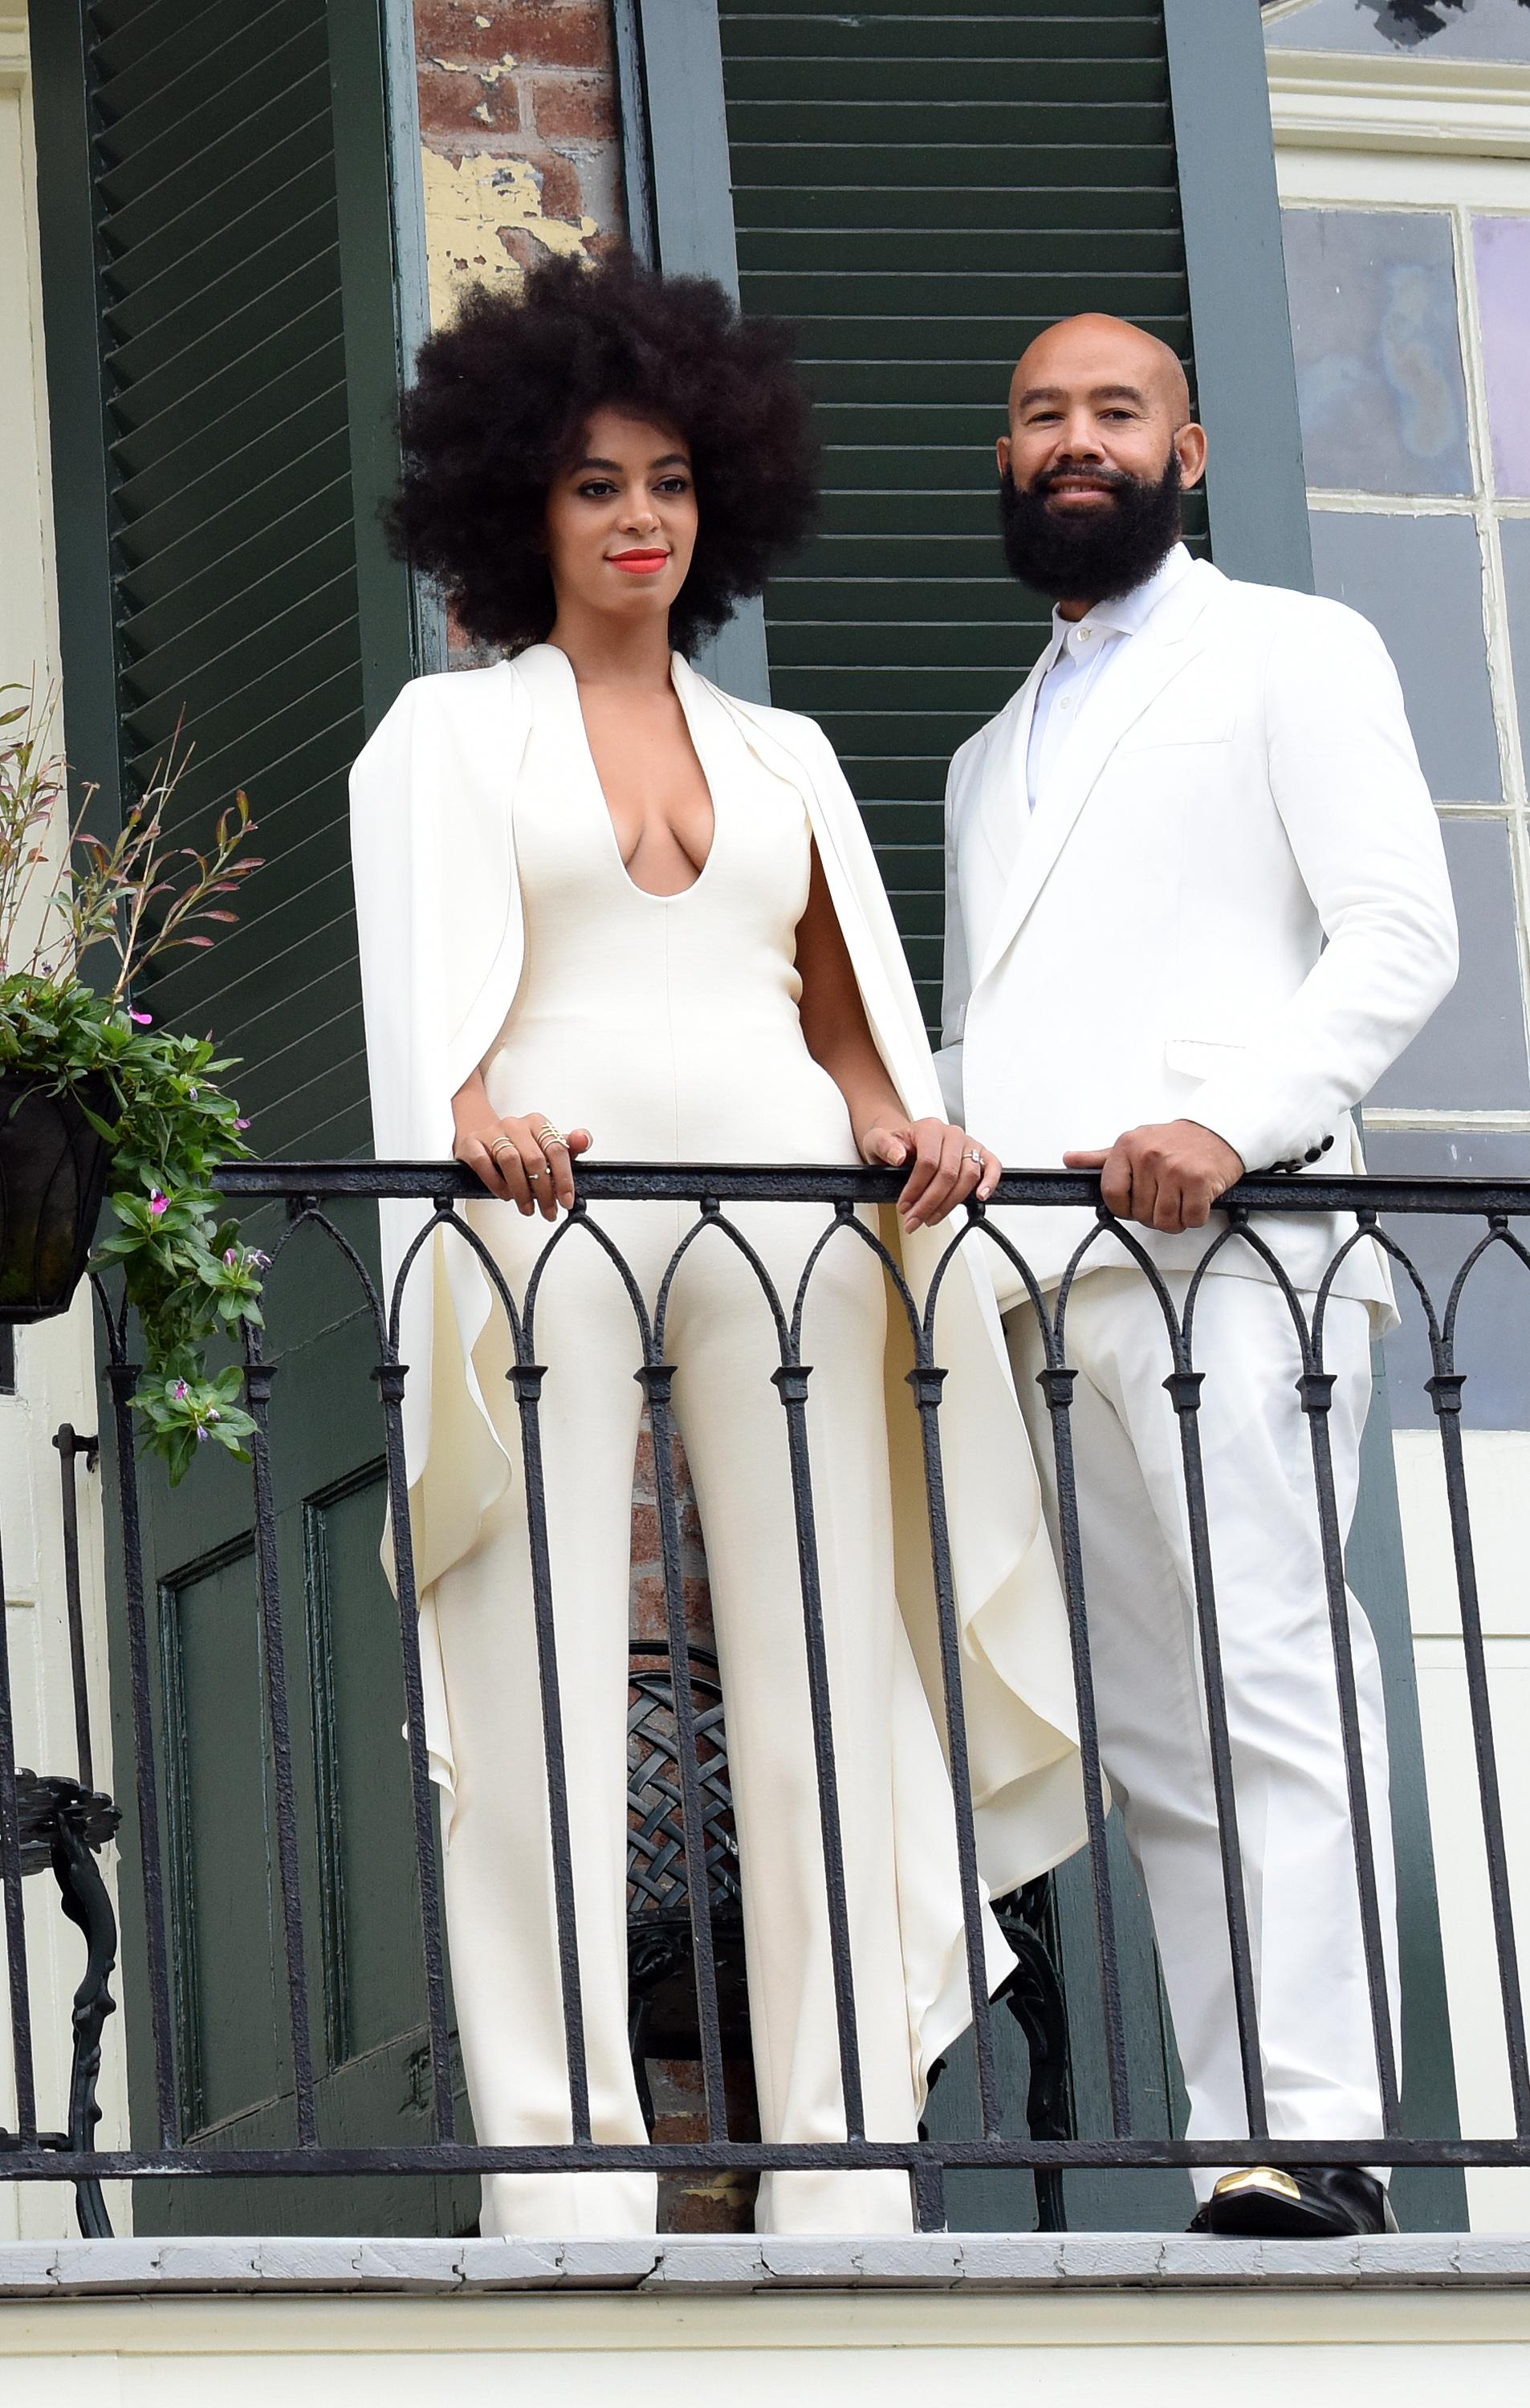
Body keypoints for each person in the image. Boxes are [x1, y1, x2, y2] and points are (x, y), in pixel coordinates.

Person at [349, 253, 1084, 2240]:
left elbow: (847, 1031)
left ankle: (844, 2164)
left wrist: (900, 1128)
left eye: (670, 478)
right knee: (535, 1669)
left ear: (721, 499)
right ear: (524, 505)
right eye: (597, 483)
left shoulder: (788, 758)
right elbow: (429, 1012)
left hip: (790, 1211)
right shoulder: (441, 737)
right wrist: (464, 1119)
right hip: (546, 1203)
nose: (641, 516)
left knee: (828, 1661)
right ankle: (563, 2171)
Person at [936, 313, 1459, 2239]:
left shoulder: (1292, 653)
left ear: (1194, 449)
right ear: (1009, 460)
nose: (1077, 441)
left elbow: (1401, 933)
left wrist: (1234, 1126)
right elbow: (1004, 1042)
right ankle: (1245, 2128)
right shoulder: (992, 756)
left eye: (1115, 413)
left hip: (1241, 1257)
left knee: (1271, 1673)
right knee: (1155, 1730)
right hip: (1044, 1294)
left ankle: (1324, 2126)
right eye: (1043, 417)